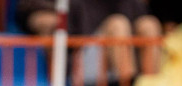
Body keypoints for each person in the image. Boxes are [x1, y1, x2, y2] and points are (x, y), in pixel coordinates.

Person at [16, 0, 161, 79]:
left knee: (149, 24)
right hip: (81, 59)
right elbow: (30, 14)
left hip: (132, 58)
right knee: (118, 25)